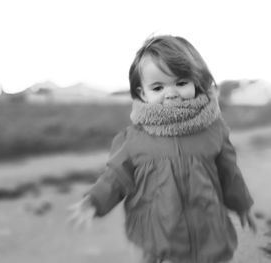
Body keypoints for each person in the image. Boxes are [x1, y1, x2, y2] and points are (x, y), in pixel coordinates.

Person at [68, 34, 256, 263]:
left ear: (196, 81)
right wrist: (95, 200)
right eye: (158, 87)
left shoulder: (213, 128)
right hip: (159, 240)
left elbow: (230, 172)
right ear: (142, 93)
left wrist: (242, 203)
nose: (171, 93)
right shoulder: (133, 139)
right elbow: (115, 176)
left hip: (209, 233)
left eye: (181, 82)